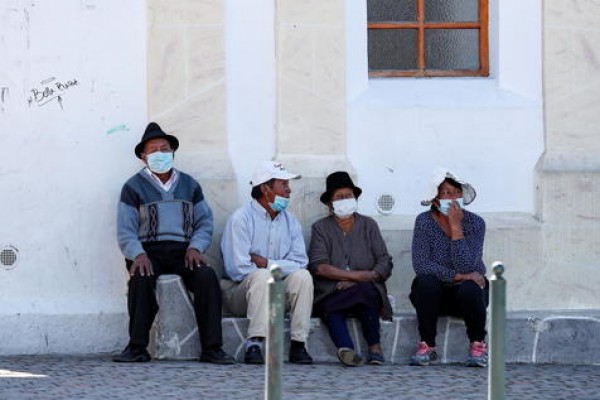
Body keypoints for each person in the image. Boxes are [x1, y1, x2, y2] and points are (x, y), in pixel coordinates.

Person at [113, 122, 234, 364]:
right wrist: (137, 254)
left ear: (172, 153)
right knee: (140, 278)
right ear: (143, 156)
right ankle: (136, 347)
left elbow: (204, 222)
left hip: (183, 251)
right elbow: (125, 230)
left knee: (207, 277)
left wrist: (195, 247)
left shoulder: (189, 184)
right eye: (154, 150)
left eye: (165, 149)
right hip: (148, 251)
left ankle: (212, 348)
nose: (160, 154)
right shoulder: (133, 187)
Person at [220, 161, 314, 365]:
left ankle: (299, 344)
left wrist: (267, 262)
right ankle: (254, 343)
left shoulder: (291, 222)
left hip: (276, 295)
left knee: (303, 277)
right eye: (284, 184)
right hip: (242, 296)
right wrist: (271, 269)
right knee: (261, 277)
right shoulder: (241, 219)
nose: (289, 191)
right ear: (265, 188)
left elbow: (300, 263)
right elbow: (238, 269)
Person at [308, 171, 393, 367]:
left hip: (366, 287)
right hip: (333, 290)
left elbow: (384, 260)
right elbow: (319, 266)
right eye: (339, 197)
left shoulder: (368, 225)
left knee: (366, 293)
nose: (345, 200)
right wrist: (356, 276)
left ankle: (374, 347)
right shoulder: (320, 228)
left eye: (348, 196)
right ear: (330, 203)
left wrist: (363, 278)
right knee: (331, 306)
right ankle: (346, 349)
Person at [409, 169, 489, 367]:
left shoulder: (476, 223)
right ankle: (427, 345)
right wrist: (458, 275)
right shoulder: (424, 221)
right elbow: (421, 264)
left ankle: (478, 344)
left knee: (471, 288)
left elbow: (469, 264)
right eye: (446, 193)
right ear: (435, 199)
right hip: (435, 294)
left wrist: (456, 226)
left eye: (456, 192)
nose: (453, 198)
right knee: (425, 283)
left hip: (467, 296)